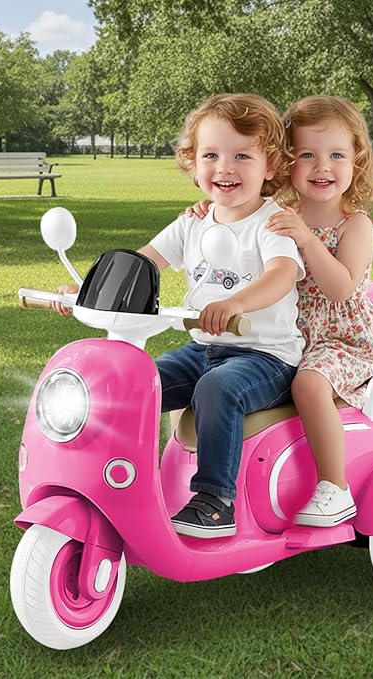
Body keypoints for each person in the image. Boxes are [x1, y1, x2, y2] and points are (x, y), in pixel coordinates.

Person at [54, 93, 305, 539]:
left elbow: (282, 274)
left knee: (218, 388)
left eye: (242, 156)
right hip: (203, 349)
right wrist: (89, 289)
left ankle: (215, 501)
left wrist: (237, 303)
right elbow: (144, 262)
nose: (224, 168)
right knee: (133, 381)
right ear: (193, 162)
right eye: (211, 155)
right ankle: (111, 477)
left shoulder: (272, 222)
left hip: (266, 357)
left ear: (270, 165)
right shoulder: (193, 223)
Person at [185, 95, 373, 527]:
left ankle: (334, 487)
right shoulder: (276, 213)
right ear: (286, 161)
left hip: (340, 339)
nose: (322, 166)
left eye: (336, 155)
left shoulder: (355, 223)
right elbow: (234, 226)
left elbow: (340, 289)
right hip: (285, 335)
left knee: (309, 385)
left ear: (357, 161)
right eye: (307, 155)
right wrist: (211, 212)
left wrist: (308, 239)